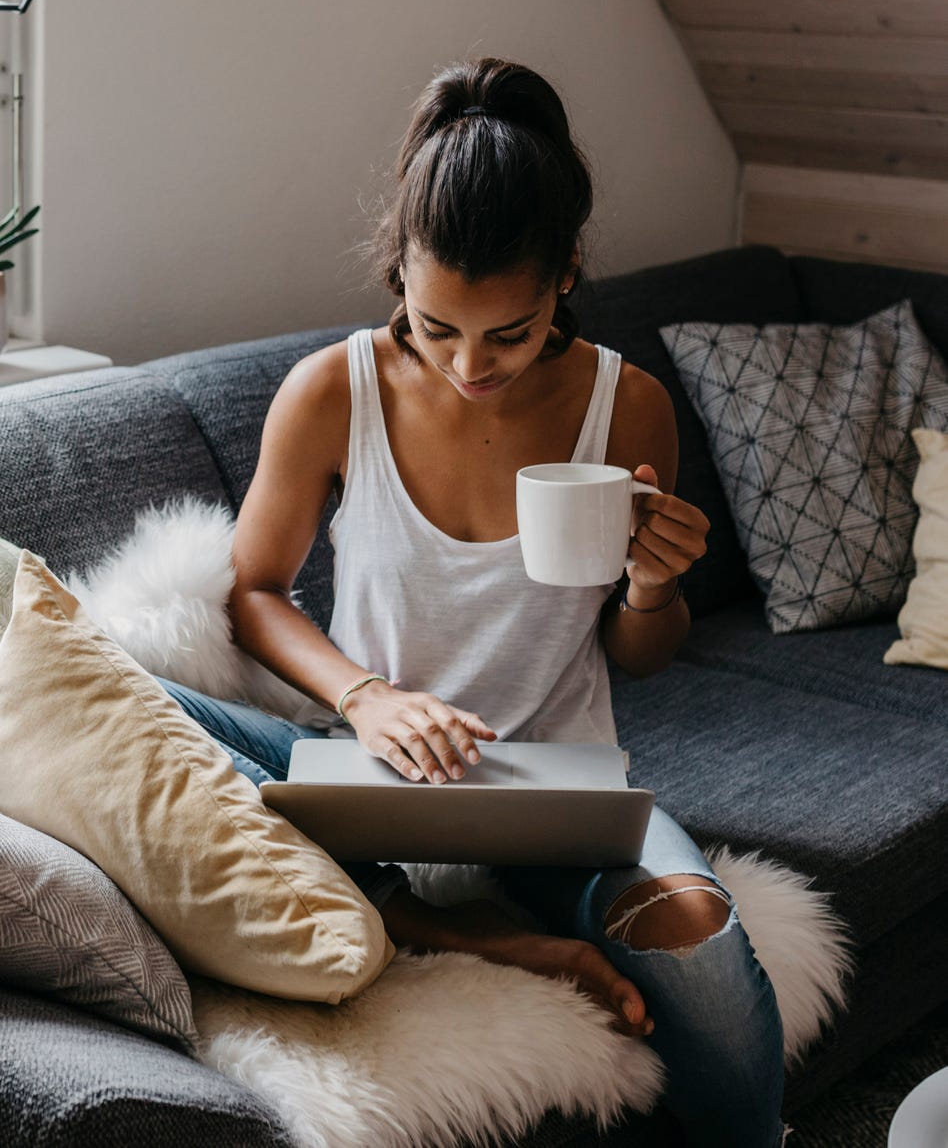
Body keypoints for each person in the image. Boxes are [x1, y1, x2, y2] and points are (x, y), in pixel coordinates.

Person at [159, 58, 787, 1147]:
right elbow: (253, 591)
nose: (467, 364)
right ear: (399, 268)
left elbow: (644, 656)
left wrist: (652, 586)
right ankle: (456, 928)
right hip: (372, 781)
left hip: (556, 794)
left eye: (510, 330)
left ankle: (476, 922)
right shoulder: (332, 391)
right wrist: (367, 697)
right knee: (142, 701)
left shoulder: (624, 407)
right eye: (437, 324)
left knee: (710, 960)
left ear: (567, 278)